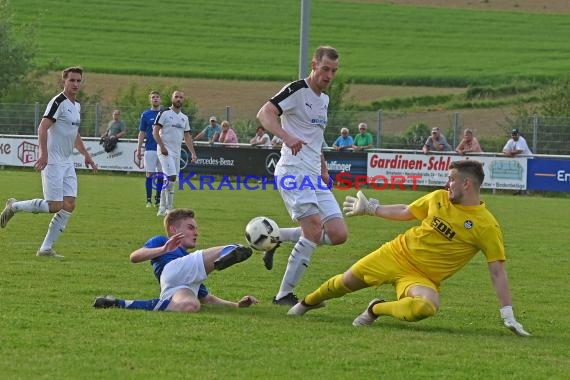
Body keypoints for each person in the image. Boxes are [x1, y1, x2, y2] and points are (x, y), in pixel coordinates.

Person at [288, 160, 531, 337]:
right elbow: (407, 211)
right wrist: (372, 208)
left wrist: (507, 313)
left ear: (467, 184)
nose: (447, 184)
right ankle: (306, 304)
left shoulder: (487, 225)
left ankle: (375, 309)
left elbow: (497, 271)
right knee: (343, 284)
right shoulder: (438, 198)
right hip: (395, 254)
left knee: (426, 307)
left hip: (421, 278)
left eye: (452, 179)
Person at [256, 45, 348, 306]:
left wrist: (323, 168)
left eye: (334, 71)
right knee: (313, 230)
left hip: (313, 174)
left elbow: (315, 138)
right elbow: (265, 113)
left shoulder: (325, 100)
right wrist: (286, 136)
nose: (329, 76)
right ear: (314, 65)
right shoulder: (297, 90)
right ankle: (283, 295)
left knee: (338, 233)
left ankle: (276, 238)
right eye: (325, 69)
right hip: (293, 171)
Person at [0, 67, 97, 258]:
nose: (76, 84)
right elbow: (43, 128)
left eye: (79, 81)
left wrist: (86, 154)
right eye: (72, 80)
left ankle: (45, 248)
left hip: (67, 161)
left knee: (69, 204)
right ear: (64, 81)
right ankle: (14, 206)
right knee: (54, 205)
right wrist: (44, 155)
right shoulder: (58, 102)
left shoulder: (76, 106)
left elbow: (73, 133)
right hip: (53, 161)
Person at [93, 208, 258, 312]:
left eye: (196, 229)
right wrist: (164, 249)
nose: (196, 233)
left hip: (175, 288)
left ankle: (118, 303)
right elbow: (134, 257)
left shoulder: (189, 261)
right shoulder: (162, 241)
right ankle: (231, 249)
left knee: (190, 306)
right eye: (190, 227)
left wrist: (236, 305)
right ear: (173, 230)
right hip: (171, 270)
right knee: (235, 249)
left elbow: (207, 298)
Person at [153, 90, 197, 216]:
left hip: (176, 152)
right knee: (171, 176)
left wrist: (193, 153)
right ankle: (169, 208)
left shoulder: (184, 118)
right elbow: (155, 131)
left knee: (172, 180)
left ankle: (162, 207)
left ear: (183, 100)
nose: (178, 99)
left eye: (181, 97)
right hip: (165, 150)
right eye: (176, 97)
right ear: (172, 99)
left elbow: (187, 136)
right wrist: (162, 146)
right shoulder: (164, 113)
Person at [137, 91, 164, 208]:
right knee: (149, 174)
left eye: (157, 97)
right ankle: (148, 200)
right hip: (150, 149)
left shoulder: (165, 114)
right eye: (153, 97)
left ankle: (158, 200)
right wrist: (139, 148)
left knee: (161, 175)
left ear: (160, 100)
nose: (155, 99)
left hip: (163, 149)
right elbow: (142, 132)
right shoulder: (146, 115)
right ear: (150, 100)